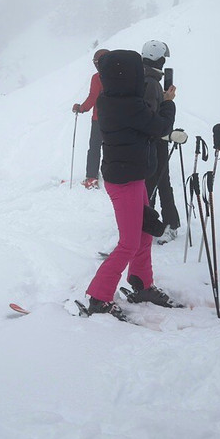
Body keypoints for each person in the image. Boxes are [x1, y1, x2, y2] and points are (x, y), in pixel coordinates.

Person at [85, 49, 178, 319]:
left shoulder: (109, 99)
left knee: (144, 231)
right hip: (125, 181)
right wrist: (168, 102)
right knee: (128, 242)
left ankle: (141, 282)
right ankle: (99, 296)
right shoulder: (130, 104)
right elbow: (160, 127)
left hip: (130, 176)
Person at [140, 39, 181, 238]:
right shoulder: (150, 82)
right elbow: (151, 117)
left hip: (153, 140)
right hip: (154, 141)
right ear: (160, 60)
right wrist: (167, 102)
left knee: (158, 180)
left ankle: (167, 223)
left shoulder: (144, 79)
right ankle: (159, 224)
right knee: (157, 181)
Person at [72, 48, 110, 189]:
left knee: (94, 147)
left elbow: (93, 98)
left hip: (99, 119)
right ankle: (112, 174)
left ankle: (92, 178)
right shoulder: (121, 75)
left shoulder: (97, 78)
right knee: (111, 147)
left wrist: (80, 108)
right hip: (117, 118)